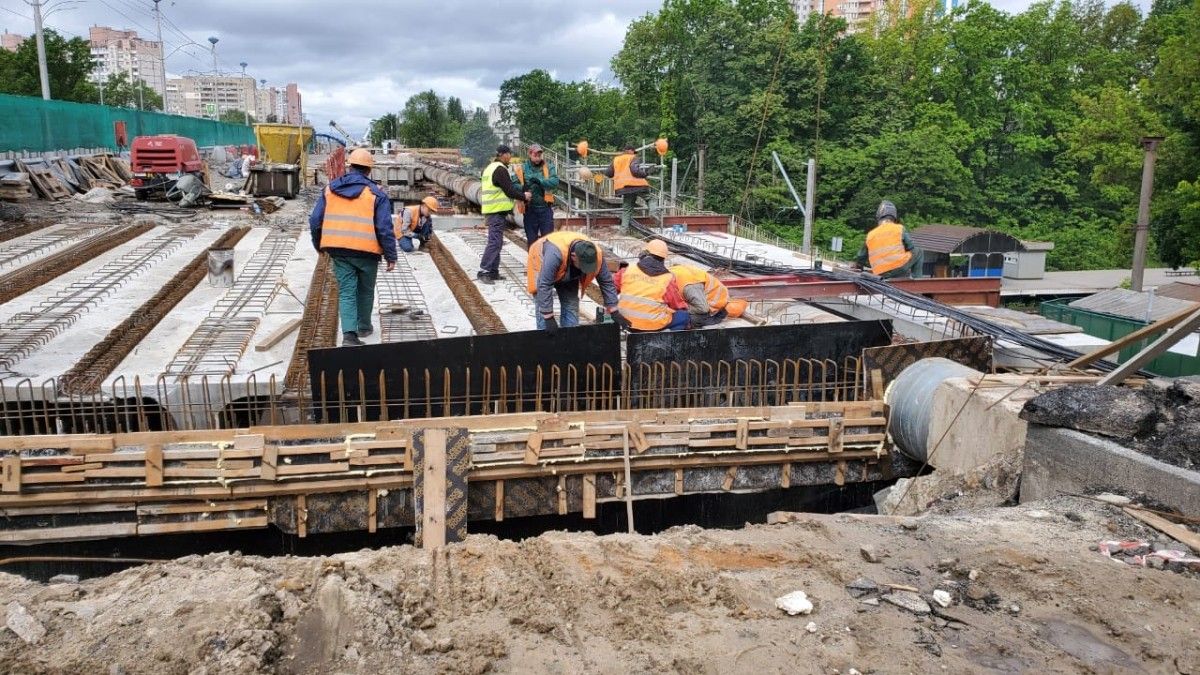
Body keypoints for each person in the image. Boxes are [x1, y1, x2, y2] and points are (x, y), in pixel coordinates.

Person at [309, 148, 396, 346]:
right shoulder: (376, 194)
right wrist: (391, 256)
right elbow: (384, 228)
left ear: (349, 166)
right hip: (367, 252)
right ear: (369, 170)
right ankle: (364, 327)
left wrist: (319, 244)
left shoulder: (330, 189)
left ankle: (349, 335)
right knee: (365, 290)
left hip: (339, 251)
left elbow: (315, 220)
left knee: (347, 291)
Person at [526, 231, 625, 332]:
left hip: (568, 271)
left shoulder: (596, 255)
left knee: (571, 304)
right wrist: (548, 317)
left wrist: (613, 309)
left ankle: (570, 339)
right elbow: (544, 284)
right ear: (574, 256)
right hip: (541, 261)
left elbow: (606, 281)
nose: (585, 270)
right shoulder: (554, 254)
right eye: (583, 266)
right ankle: (544, 341)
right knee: (542, 308)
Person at [477, 145, 528, 284]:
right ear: (503, 155)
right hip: (496, 211)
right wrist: (524, 196)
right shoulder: (500, 169)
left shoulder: (490, 168)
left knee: (497, 241)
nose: (510, 157)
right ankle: (484, 271)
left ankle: (493, 271)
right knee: (494, 242)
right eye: (509, 154)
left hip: (494, 210)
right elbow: (509, 190)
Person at [615, 238, 690, 332]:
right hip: (652, 326)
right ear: (663, 259)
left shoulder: (627, 270)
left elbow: (610, 290)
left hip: (623, 321)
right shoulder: (667, 278)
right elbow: (677, 305)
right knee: (684, 316)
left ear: (643, 254)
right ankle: (665, 339)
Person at [854, 200, 925, 279]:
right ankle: (918, 279)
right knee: (919, 251)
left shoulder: (870, 235)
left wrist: (859, 267)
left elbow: (860, 257)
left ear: (879, 216)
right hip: (898, 268)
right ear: (894, 217)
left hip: (880, 272)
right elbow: (911, 247)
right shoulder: (899, 228)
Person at [604, 144, 660, 229]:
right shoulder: (633, 158)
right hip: (638, 185)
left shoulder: (616, 160)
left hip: (624, 187)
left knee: (627, 208)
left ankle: (623, 230)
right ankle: (653, 213)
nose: (635, 154)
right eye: (634, 152)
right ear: (630, 151)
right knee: (651, 198)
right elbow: (634, 170)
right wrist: (645, 173)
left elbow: (608, 173)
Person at [515, 143, 560, 246]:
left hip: (545, 209)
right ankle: (534, 261)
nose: (538, 157)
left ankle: (547, 261)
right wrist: (522, 188)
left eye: (539, 155)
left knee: (548, 241)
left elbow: (555, 181)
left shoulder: (549, 167)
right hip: (530, 210)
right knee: (532, 241)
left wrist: (540, 181)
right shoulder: (522, 168)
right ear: (530, 154)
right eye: (535, 155)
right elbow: (513, 185)